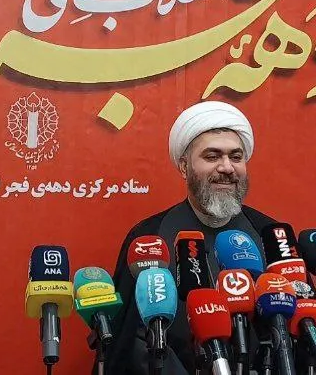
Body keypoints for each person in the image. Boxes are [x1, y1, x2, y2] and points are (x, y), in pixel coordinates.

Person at [103, 101, 281, 375]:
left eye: (236, 157)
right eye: (212, 156)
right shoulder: (149, 238)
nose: (227, 167)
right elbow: (126, 345)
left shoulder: (271, 234)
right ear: (184, 167)